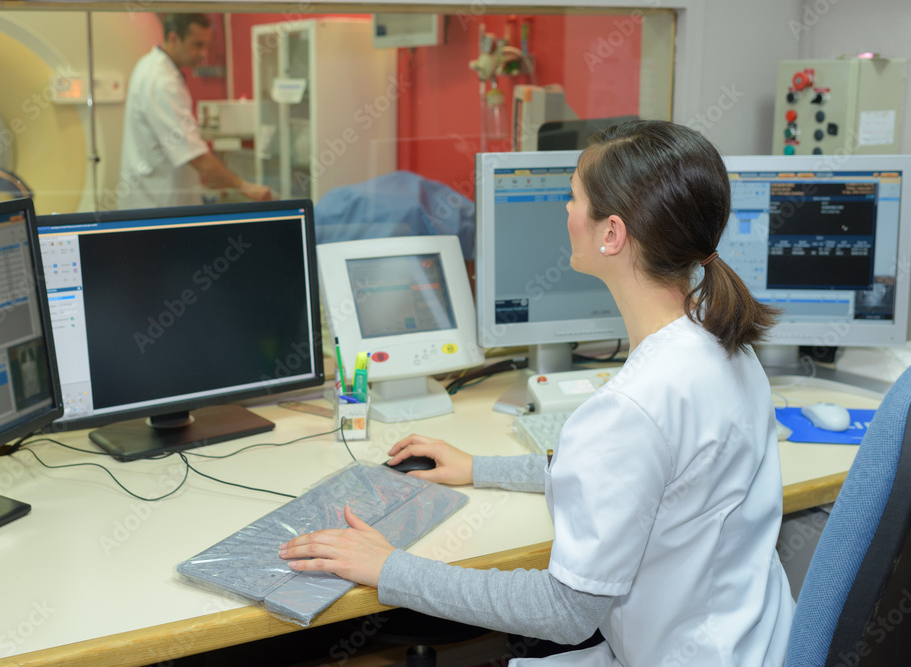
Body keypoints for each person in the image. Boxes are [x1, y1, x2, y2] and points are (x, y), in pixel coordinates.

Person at [280, 120, 796, 666]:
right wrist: (480, 467)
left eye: (573, 197)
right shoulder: (723, 342)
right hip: (753, 644)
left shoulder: (634, 406)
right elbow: (645, 481)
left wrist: (388, 568)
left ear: (611, 234)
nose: (565, 211)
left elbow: (564, 613)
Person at [116, 13, 271, 209]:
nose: (204, 53)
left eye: (207, 45)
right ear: (174, 39)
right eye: (197, 45)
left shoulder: (149, 65)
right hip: (157, 203)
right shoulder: (162, 81)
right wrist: (246, 187)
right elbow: (194, 155)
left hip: (156, 196)